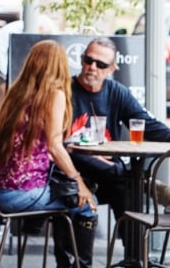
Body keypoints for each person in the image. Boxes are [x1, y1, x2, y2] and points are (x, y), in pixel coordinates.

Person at [0, 40, 98, 268]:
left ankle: (63, 260)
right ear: (59, 66)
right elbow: (55, 146)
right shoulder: (54, 95)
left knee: (67, 196)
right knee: (87, 203)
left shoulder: (16, 94)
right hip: (22, 195)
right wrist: (79, 181)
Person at [66, 37, 170, 257]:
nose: (92, 67)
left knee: (127, 188)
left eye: (101, 64)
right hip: (71, 170)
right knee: (123, 178)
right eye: (88, 60)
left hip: (110, 173)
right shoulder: (65, 91)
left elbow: (147, 124)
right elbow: (59, 145)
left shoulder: (116, 91)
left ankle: (135, 259)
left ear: (112, 68)